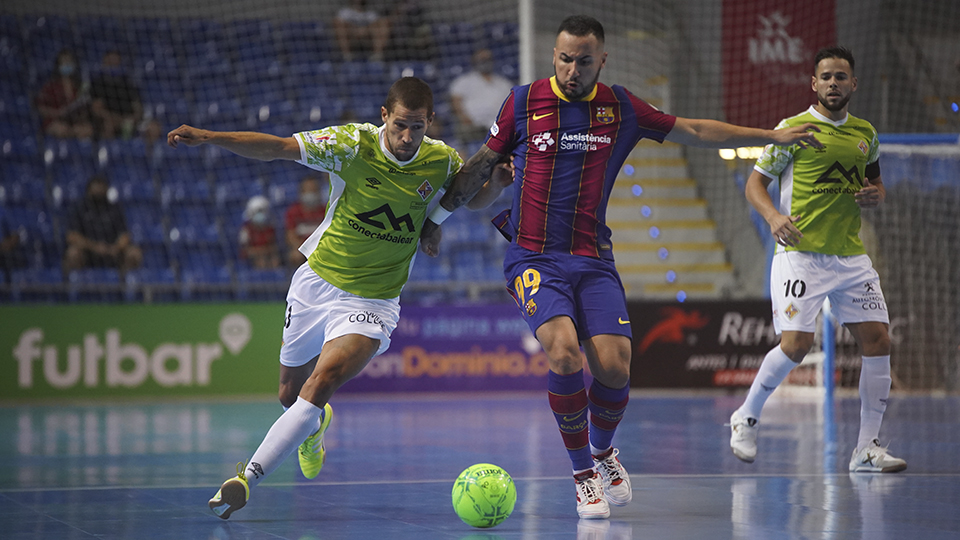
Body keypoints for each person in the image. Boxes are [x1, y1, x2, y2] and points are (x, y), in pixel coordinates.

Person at [419, 15, 823, 520]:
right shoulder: (523, 102)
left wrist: (771, 135)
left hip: (593, 258)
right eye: (564, 59)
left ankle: (603, 452)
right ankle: (582, 474)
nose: (571, 70)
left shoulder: (619, 106)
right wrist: (435, 219)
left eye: (583, 61)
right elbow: (481, 164)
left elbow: (694, 129)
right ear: (555, 57)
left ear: (601, 61)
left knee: (614, 367)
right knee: (565, 355)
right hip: (533, 257)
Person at [166, 77, 465, 520]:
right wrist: (211, 137)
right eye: (400, 125)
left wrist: (460, 204)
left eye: (417, 128)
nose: (407, 138)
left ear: (430, 122)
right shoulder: (350, 144)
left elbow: (470, 194)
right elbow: (277, 148)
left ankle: (247, 477)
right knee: (290, 394)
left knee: (321, 381)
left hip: (374, 299)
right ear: (384, 116)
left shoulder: (442, 160)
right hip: (317, 282)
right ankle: (315, 424)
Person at [726, 46, 906, 474]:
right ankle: (745, 417)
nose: (833, 83)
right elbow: (755, 184)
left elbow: (876, 186)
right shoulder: (793, 129)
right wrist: (771, 217)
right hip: (800, 254)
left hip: (849, 256)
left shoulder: (866, 134)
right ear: (814, 83)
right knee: (796, 345)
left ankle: (866, 449)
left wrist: (875, 195)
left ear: (853, 83)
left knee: (879, 341)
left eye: (841, 77)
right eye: (825, 76)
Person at [63, 175, 142, 277]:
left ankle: (127, 288)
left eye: (101, 187)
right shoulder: (80, 209)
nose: (98, 190)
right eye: (95, 187)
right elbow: (71, 236)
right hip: (88, 253)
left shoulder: (115, 209)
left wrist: (114, 248)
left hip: (112, 252)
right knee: (73, 253)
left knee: (134, 253)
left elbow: (125, 236)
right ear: (88, 189)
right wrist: (94, 247)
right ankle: (76, 287)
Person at [449, 48, 514, 149]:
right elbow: (456, 101)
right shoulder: (464, 81)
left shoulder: (503, 83)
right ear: (474, 61)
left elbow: (511, 105)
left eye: (487, 59)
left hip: (497, 125)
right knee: (464, 132)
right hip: (473, 125)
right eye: (481, 59)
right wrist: (464, 118)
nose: (485, 62)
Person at [35, 49, 93, 139]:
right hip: (54, 121)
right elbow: (41, 109)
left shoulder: (78, 86)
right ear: (58, 65)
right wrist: (57, 113)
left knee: (87, 129)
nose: (67, 64)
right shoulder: (50, 86)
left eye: (69, 62)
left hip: (74, 122)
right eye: (64, 62)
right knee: (62, 129)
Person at [89, 50, 143, 140]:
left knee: (152, 128)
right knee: (108, 126)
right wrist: (114, 119)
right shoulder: (98, 83)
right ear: (104, 62)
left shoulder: (127, 83)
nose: (113, 64)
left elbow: (137, 107)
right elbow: (97, 109)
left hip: (126, 120)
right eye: (110, 61)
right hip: (107, 120)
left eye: (115, 61)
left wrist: (132, 119)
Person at [284, 175, 328, 268]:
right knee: (295, 256)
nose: (311, 194)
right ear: (301, 192)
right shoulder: (293, 211)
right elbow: (290, 235)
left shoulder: (326, 211)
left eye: (314, 190)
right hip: (302, 250)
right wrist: (305, 249)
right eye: (308, 190)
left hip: (322, 249)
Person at [238, 195, 281, 270]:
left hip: (268, 256)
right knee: (261, 261)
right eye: (257, 212)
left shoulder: (270, 228)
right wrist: (259, 252)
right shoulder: (246, 230)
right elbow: (245, 250)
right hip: (253, 259)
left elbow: (274, 247)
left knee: (275, 260)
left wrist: (264, 251)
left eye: (262, 211)